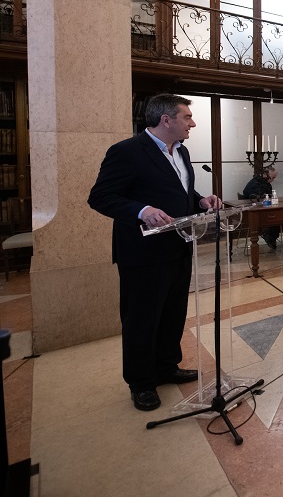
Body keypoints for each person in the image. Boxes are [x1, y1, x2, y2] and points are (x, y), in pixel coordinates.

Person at [88, 93, 222, 412]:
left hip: (178, 247)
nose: (192, 123)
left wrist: (200, 200)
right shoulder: (127, 152)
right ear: (166, 120)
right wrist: (142, 210)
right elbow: (100, 197)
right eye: (187, 117)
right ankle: (141, 382)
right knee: (142, 319)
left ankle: (166, 366)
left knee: (172, 314)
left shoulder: (182, 151)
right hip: (143, 253)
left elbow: (179, 191)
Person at [242, 165, 279, 248]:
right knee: (274, 218)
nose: (273, 180)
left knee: (276, 216)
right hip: (252, 212)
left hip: (263, 208)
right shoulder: (255, 183)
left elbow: (268, 197)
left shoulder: (266, 184)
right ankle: (268, 236)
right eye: (272, 178)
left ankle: (270, 237)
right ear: (265, 175)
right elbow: (253, 198)